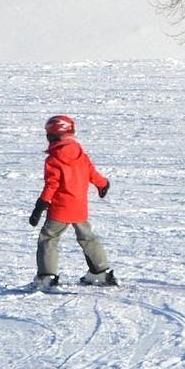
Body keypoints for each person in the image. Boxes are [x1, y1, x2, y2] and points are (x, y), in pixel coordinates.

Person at [30, 114, 116, 291]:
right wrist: (103, 184)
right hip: (79, 206)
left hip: (61, 208)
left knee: (49, 238)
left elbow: (52, 185)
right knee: (87, 237)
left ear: (52, 136)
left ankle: (47, 276)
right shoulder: (80, 155)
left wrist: (41, 204)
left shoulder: (54, 159)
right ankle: (100, 271)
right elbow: (92, 173)